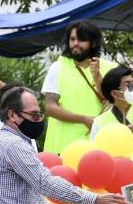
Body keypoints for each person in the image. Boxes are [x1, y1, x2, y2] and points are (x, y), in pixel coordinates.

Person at [42, 21, 116, 154]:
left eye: (81, 39)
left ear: (93, 42)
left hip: (99, 147)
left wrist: (97, 76)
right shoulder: (58, 67)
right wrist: (83, 119)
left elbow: (115, 103)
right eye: (72, 39)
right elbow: (50, 107)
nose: (75, 43)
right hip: (63, 148)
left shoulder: (110, 68)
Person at [90, 65, 133, 140]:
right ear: (114, 93)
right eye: (127, 84)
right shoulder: (99, 123)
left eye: (132, 83)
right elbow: (95, 150)